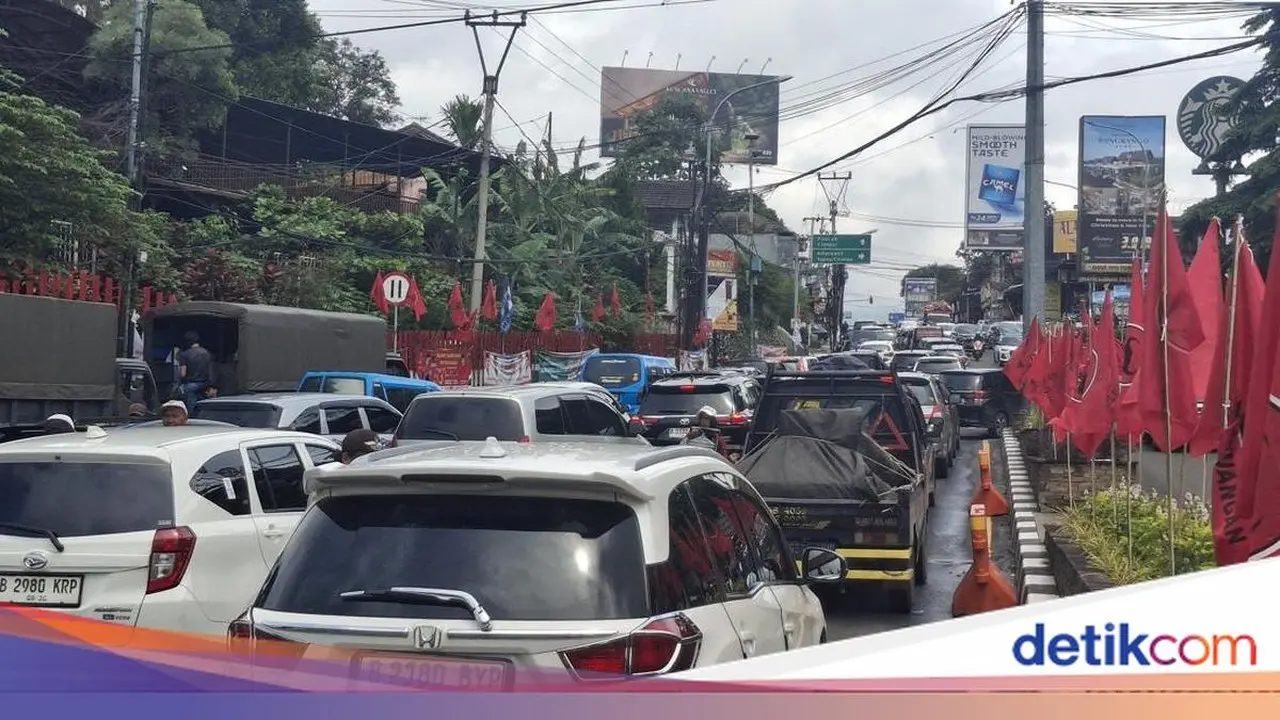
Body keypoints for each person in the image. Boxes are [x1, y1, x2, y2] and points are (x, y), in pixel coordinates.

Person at [177, 331, 212, 411]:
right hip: (206, 383)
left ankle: (191, 414)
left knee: (189, 399)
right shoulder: (207, 353)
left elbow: (183, 374)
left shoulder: (184, 354)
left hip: (192, 384)